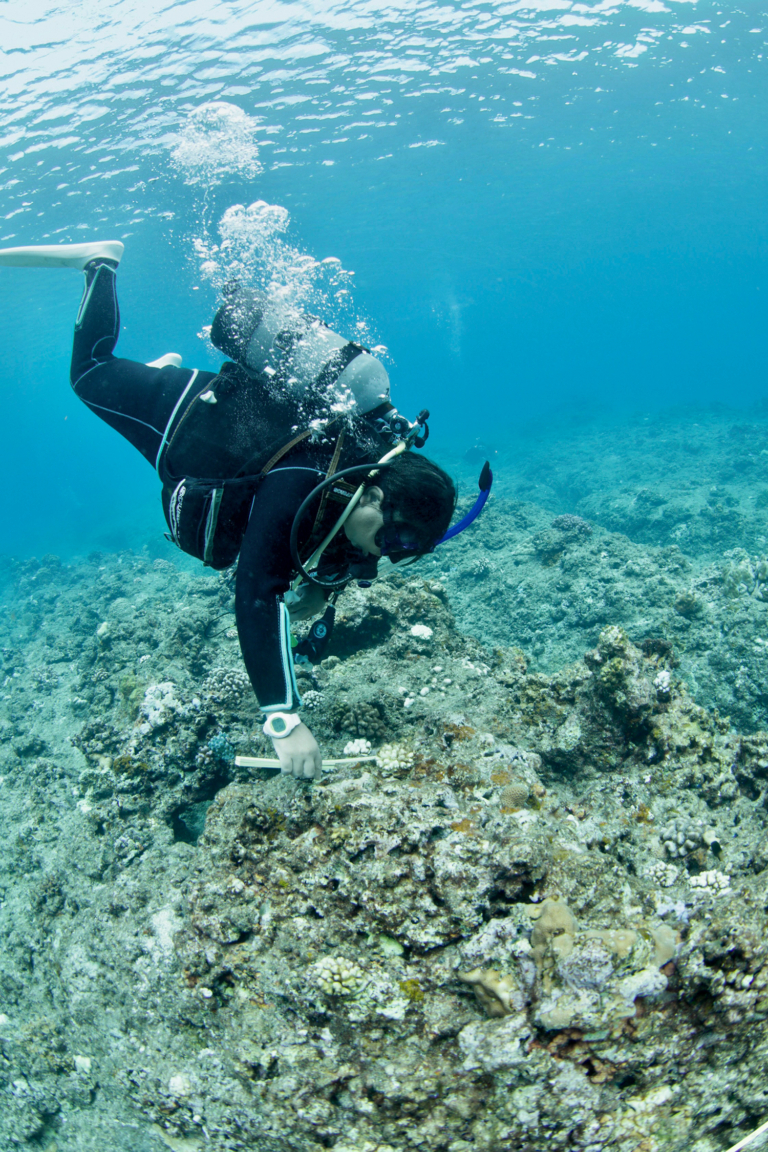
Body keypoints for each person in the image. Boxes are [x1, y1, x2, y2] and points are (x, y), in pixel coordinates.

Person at [0, 240, 492, 779]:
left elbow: (338, 558)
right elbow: (256, 592)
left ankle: (146, 372)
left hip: (198, 458)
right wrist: (282, 717)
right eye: (392, 540)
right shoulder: (306, 479)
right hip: (188, 417)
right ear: (374, 495)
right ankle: (100, 265)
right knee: (89, 374)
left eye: (400, 553)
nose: (381, 555)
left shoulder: (358, 493)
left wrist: (324, 590)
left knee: (113, 391)